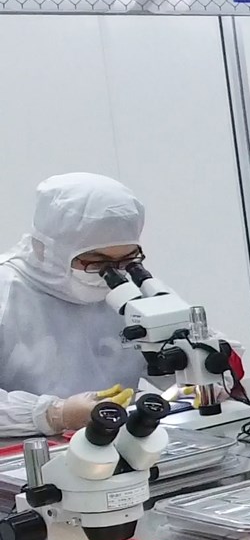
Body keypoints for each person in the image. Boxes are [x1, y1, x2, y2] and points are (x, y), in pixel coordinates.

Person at [0, 173, 150, 438]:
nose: (111, 275)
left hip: (116, 444)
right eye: (95, 261)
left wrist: (204, 372)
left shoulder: (130, 285)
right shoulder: (7, 292)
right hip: (23, 453)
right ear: (44, 249)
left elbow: (183, 346)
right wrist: (55, 414)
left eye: (126, 260)